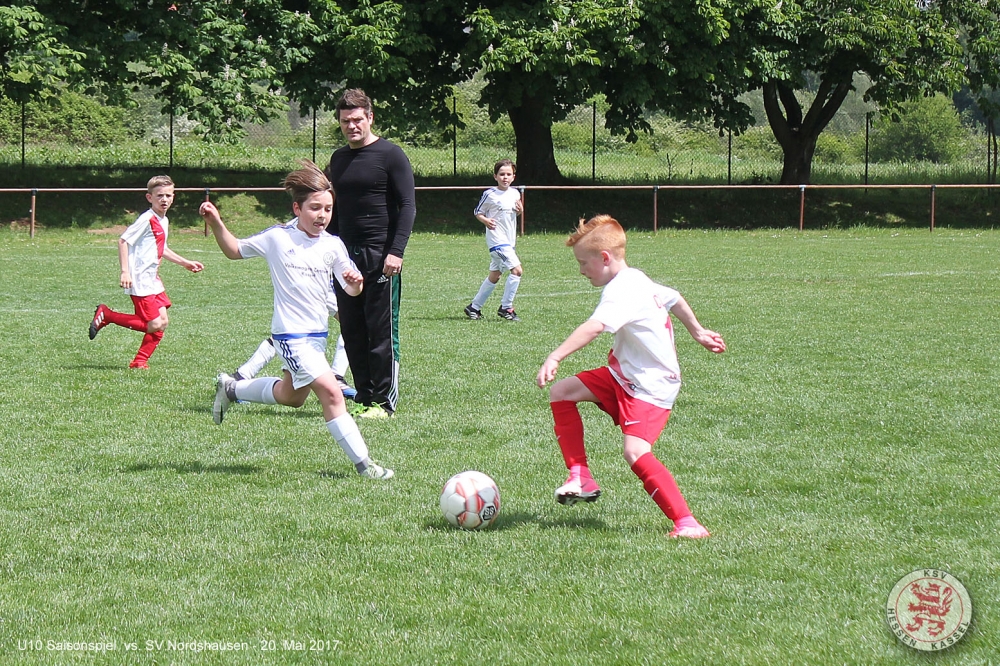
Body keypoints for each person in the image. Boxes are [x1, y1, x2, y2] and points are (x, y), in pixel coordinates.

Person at [199, 161, 393, 480]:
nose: (322, 215)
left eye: (328, 209)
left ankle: (232, 388)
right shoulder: (278, 238)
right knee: (332, 393)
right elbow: (234, 250)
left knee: (292, 397)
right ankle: (365, 466)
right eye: (315, 208)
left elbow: (351, 290)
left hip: (316, 338)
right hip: (290, 336)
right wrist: (217, 223)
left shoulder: (332, 244)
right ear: (297, 208)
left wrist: (355, 283)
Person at [536, 214, 726, 538]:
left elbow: (595, 327)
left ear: (604, 258)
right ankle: (581, 476)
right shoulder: (636, 278)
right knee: (562, 392)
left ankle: (687, 523)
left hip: (651, 386)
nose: (581, 271)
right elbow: (674, 297)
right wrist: (697, 331)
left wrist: (555, 355)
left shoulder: (622, 290)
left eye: (583, 263)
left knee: (635, 453)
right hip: (623, 375)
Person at [325, 88, 415, 418]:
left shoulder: (391, 155)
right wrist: (327, 252)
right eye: (345, 121)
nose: (351, 126)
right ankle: (364, 397)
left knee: (381, 331)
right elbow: (333, 211)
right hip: (345, 258)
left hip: (380, 257)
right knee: (352, 329)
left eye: (357, 120)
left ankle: (383, 401)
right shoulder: (338, 160)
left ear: (370, 118)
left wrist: (396, 251)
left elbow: (408, 206)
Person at [232, 220, 356, 400]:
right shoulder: (293, 229)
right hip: (314, 282)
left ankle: (239, 378)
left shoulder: (329, 232)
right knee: (350, 325)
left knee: (293, 396)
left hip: (326, 279)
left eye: (328, 208)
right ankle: (336, 377)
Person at [89, 175, 203, 369]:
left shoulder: (163, 220)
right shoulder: (147, 219)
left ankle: (139, 362)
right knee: (154, 324)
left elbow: (162, 248)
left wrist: (185, 263)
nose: (164, 199)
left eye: (168, 195)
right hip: (140, 280)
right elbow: (123, 241)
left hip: (153, 279)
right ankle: (107, 315)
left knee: (162, 322)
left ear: (173, 197)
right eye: (159, 196)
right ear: (150, 197)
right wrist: (125, 272)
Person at [464, 159, 524, 321]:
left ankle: (474, 307)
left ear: (513, 177)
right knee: (517, 270)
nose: (505, 177)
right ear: (495, 176)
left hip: (509, 241)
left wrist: (520, 211)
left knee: (495, 275)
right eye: (502, 174)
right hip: (497, 241)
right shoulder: (490, 194)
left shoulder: (515, 193)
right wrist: (485, 220)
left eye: (509, 174)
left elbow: (513, 213)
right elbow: (478, 212)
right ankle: (506, 308)